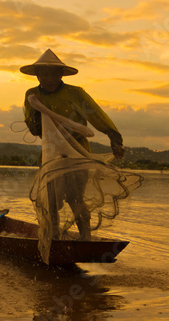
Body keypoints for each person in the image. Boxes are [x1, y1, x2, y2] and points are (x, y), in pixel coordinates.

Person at [21, 49, 125, 240]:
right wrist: (38, 111)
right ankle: (53, 237)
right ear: (36, 75)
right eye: (42, 73)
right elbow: (35, 129)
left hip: (77, 150)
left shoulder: (75, 94)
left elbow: (96, 114)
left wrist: (114, 138)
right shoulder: (32, 95)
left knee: (75, 196)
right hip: (51, 152)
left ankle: (85, 237)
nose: (47, 77)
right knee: (51, 198)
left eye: (52, 73)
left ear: (60, 74)